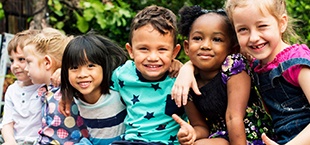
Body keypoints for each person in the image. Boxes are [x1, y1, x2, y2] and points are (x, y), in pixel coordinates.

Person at [170, 5, 274, 145]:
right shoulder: (186, 83)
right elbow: (201, 126)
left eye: (217, 39)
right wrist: (192, 133)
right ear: (187, 47)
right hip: (220, 137)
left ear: (233, 49)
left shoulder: (234, 66)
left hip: (250, 136)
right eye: (198, 38)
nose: (205, 45)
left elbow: (234, 116)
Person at [225, 0, 310, 144]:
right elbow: (211, 54)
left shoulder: (296, 62)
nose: (253, 38)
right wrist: (188, 68)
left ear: (281, 23)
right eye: (243, 30)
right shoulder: (254, 64)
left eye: (262, 26)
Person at [109, 5, 186, 145]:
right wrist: (63, 73)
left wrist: (187, 68)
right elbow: (93, 82)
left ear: (174, 52)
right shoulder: (122, 74)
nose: (152, 57)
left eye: (162, 49)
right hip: (132, 141)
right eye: (144, 49)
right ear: (130, 51)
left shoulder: (182, 78)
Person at [22, 27, 89, 144]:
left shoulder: (70, 86)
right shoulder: (45, 91)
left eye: (29, 62)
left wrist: (65, 73)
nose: (25, 68)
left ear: (47, 62)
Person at [60, 33, 128, 145]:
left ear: (104, 66)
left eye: (90, 66)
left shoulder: (118, 89)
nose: (82, 74)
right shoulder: (74, 98)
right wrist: (65, 91)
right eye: (74, 67)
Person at [0, 29, 42, 145]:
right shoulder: (12, 90)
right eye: (12, 60)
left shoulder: (46, 86)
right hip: (15, 140)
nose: (14, 66)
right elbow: (7, 122)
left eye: (21, 59)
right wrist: (10, 141)